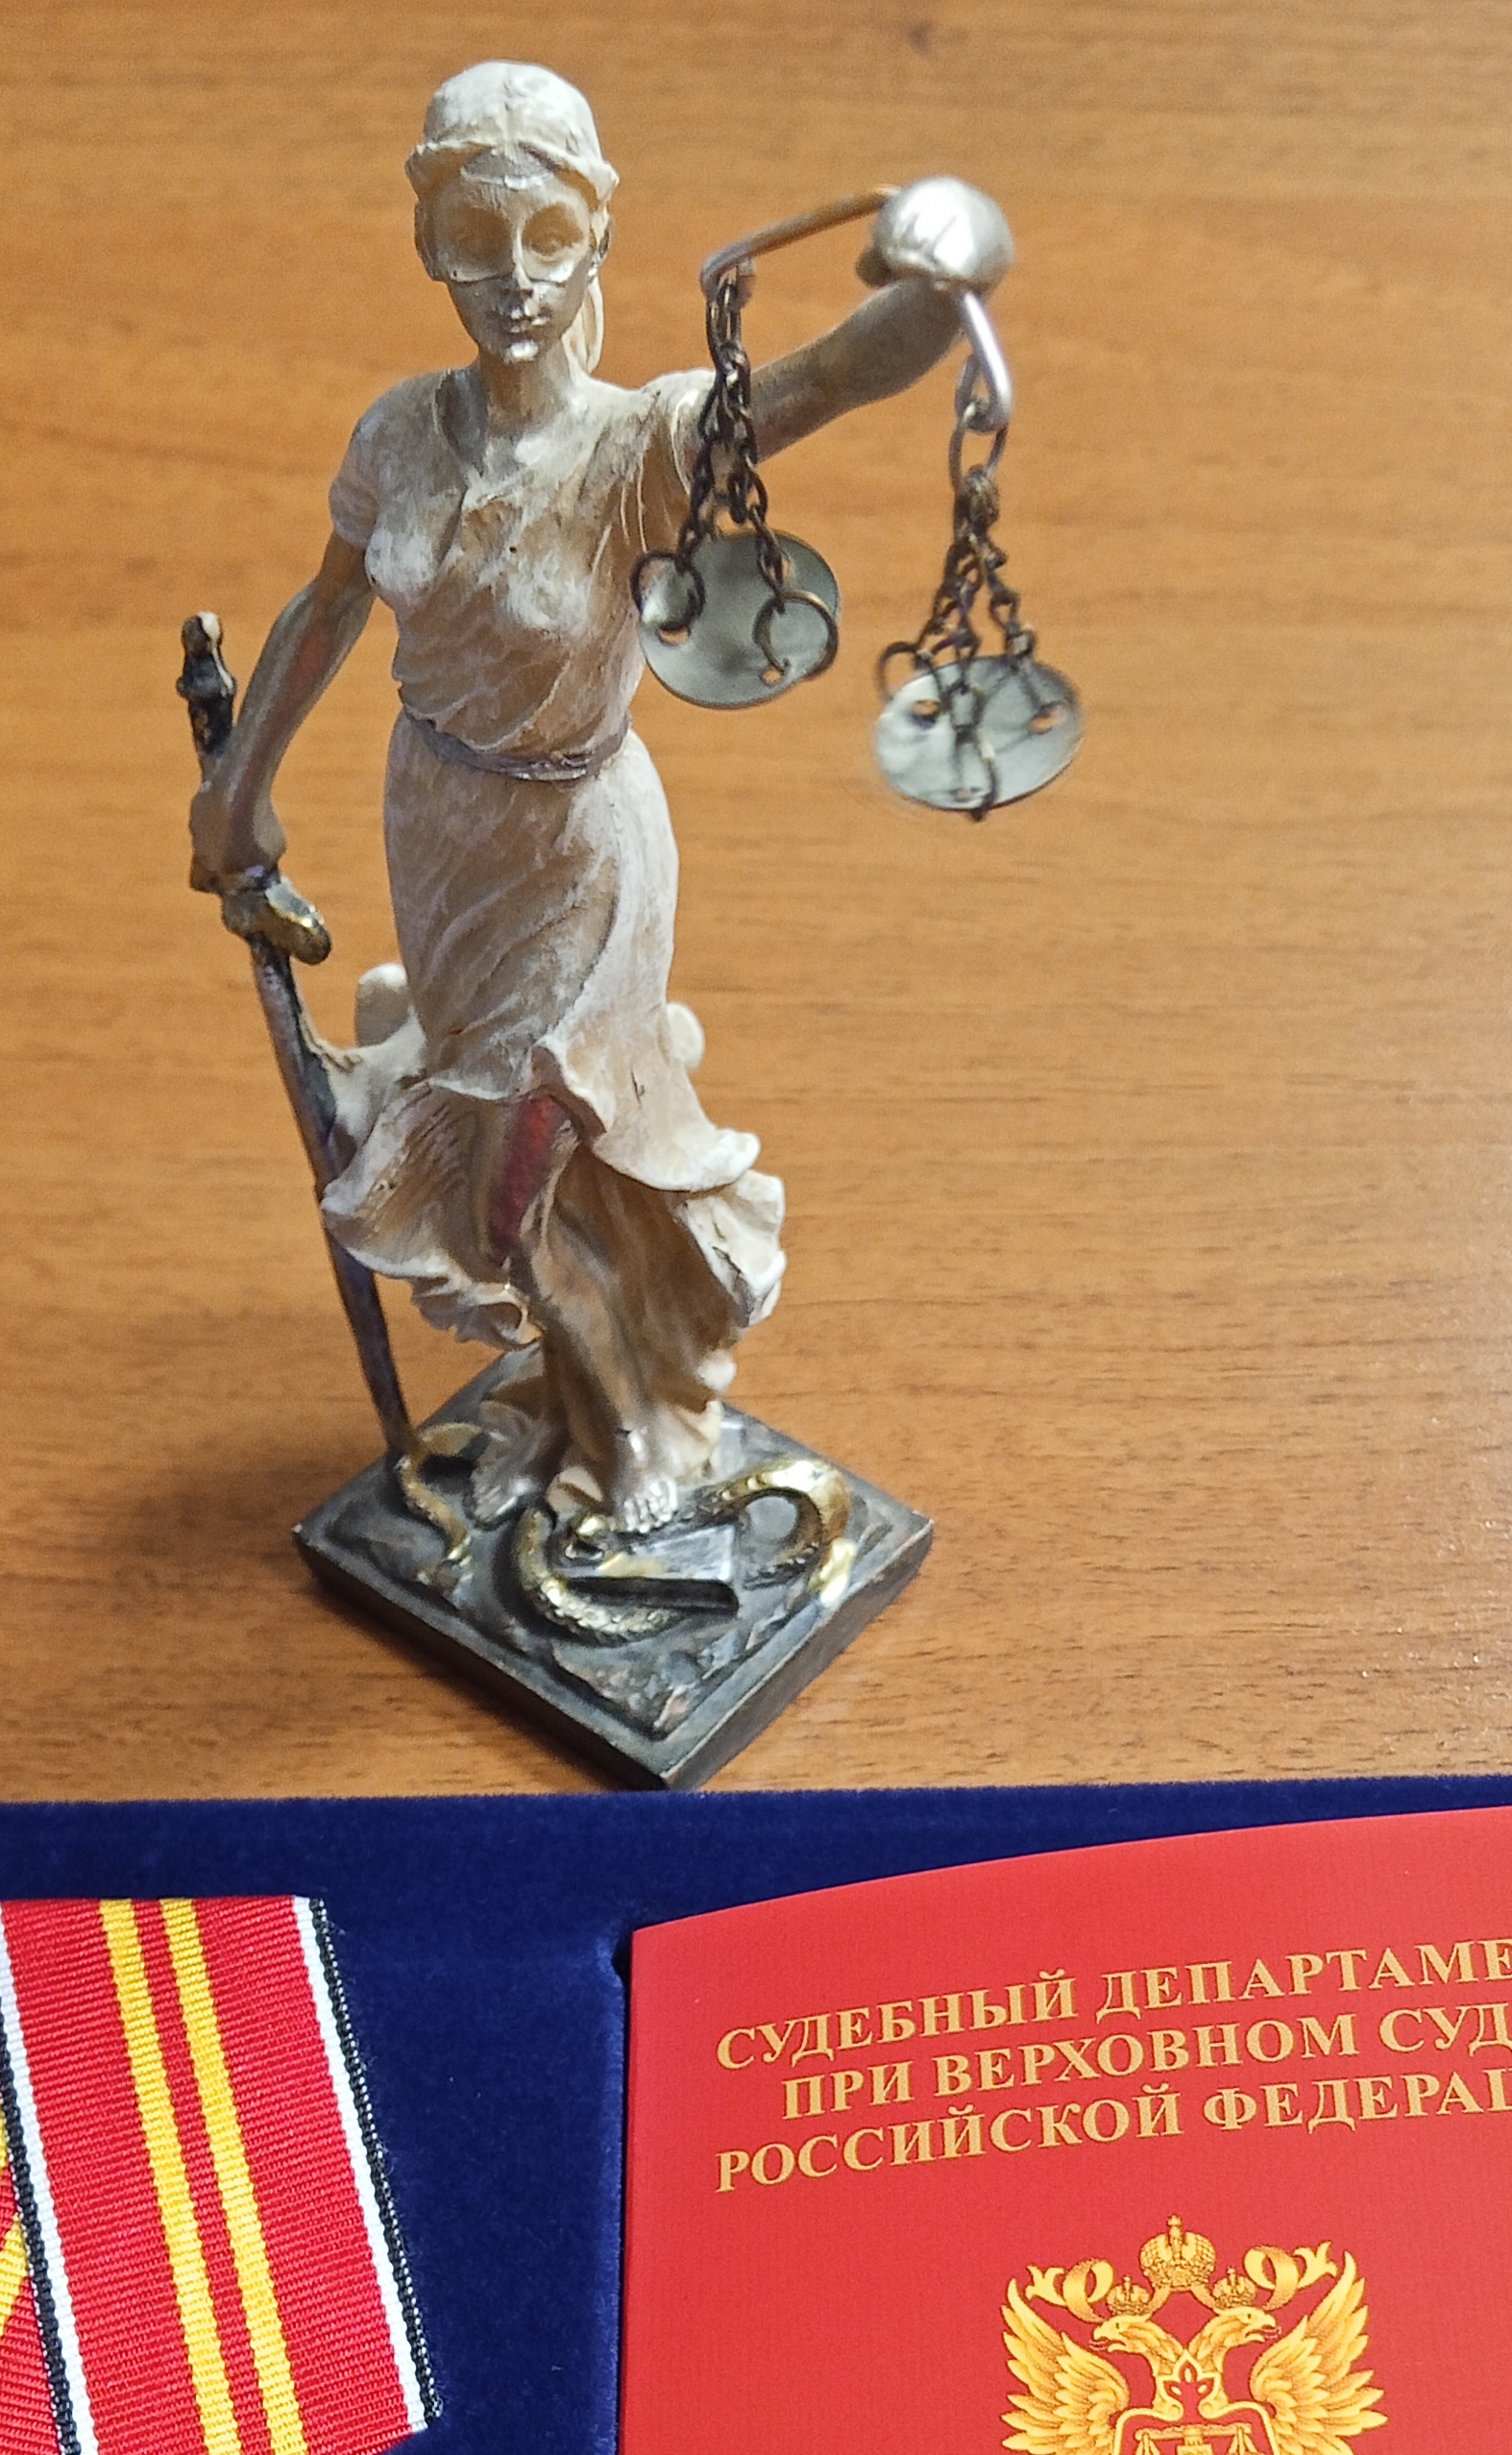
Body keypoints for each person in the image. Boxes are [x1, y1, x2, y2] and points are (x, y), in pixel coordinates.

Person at [189, 66, 992, 1534]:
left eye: (548, 235)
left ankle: (631, 1443)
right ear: (428, 245)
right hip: (442, 827)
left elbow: (826, 376)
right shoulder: (398, 437)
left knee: (514, 1178)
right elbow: (327, 609)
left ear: (599, 235)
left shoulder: (643, 446)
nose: (514, 278)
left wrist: (945, 281)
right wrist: (239, 789)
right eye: (474, 240)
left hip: (580, 855)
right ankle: (581, 1399)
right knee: (531, 1190)